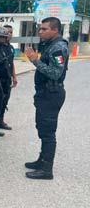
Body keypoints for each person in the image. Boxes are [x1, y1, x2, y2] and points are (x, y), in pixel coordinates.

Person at [24, 17, 68, 180]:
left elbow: (55, 73)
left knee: (48, 132)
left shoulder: (58, 48)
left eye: (44, 29)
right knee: (42, 128)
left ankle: (46, 170)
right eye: (40, 29)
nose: (40, 31)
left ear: (55, 30)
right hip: (45, 93)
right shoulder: (51, 45)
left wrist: (35, 60)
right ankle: (42, 160)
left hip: (51, 94)